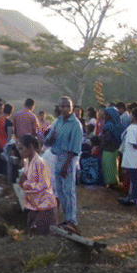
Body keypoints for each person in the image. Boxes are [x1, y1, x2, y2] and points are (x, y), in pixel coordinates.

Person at [44, 96, 83, 235]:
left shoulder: (76, 125)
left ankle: (72, 220)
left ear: (72, 108)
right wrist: (51, 138)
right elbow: (47, 141)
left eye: (68, 106)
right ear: (59, 108)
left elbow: (75, 149)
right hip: (57, 158)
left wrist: (66, 166)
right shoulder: (58, 121)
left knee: (69, 190)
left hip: (68, 160)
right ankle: (66, 219)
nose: (65, 109)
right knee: (60, 190)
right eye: (63, 106)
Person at [18, 135, 58, 236]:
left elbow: (44, 185)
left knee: (40, 237)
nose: (19, 151)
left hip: (45, 207)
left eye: (21, 148)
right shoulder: (28, 162)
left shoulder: (39, 163)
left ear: (30, 147)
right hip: (35, 206)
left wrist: (25, 183)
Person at [118, 107, 137, 205]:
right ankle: (134, 197)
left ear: (133, 116)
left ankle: (134, 198)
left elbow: (133, 143)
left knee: (134, 179)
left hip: (131, 157)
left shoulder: (131, 128)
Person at [99, 107, 124, 189]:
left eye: (106, 114)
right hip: (116, 148)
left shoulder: (107, 125)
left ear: (109, 115)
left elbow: (106, 138)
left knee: (107, 166)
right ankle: (115, 182)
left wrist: (100, 139)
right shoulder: (119, 124)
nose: (104, 115)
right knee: (114, 166)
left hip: (107, 149)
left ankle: (109, 183)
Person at [0, 103, 14, 176]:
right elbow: (9, 135)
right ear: (11, 112)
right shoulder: (8, 122)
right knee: (6, 164)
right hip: (5, 144)